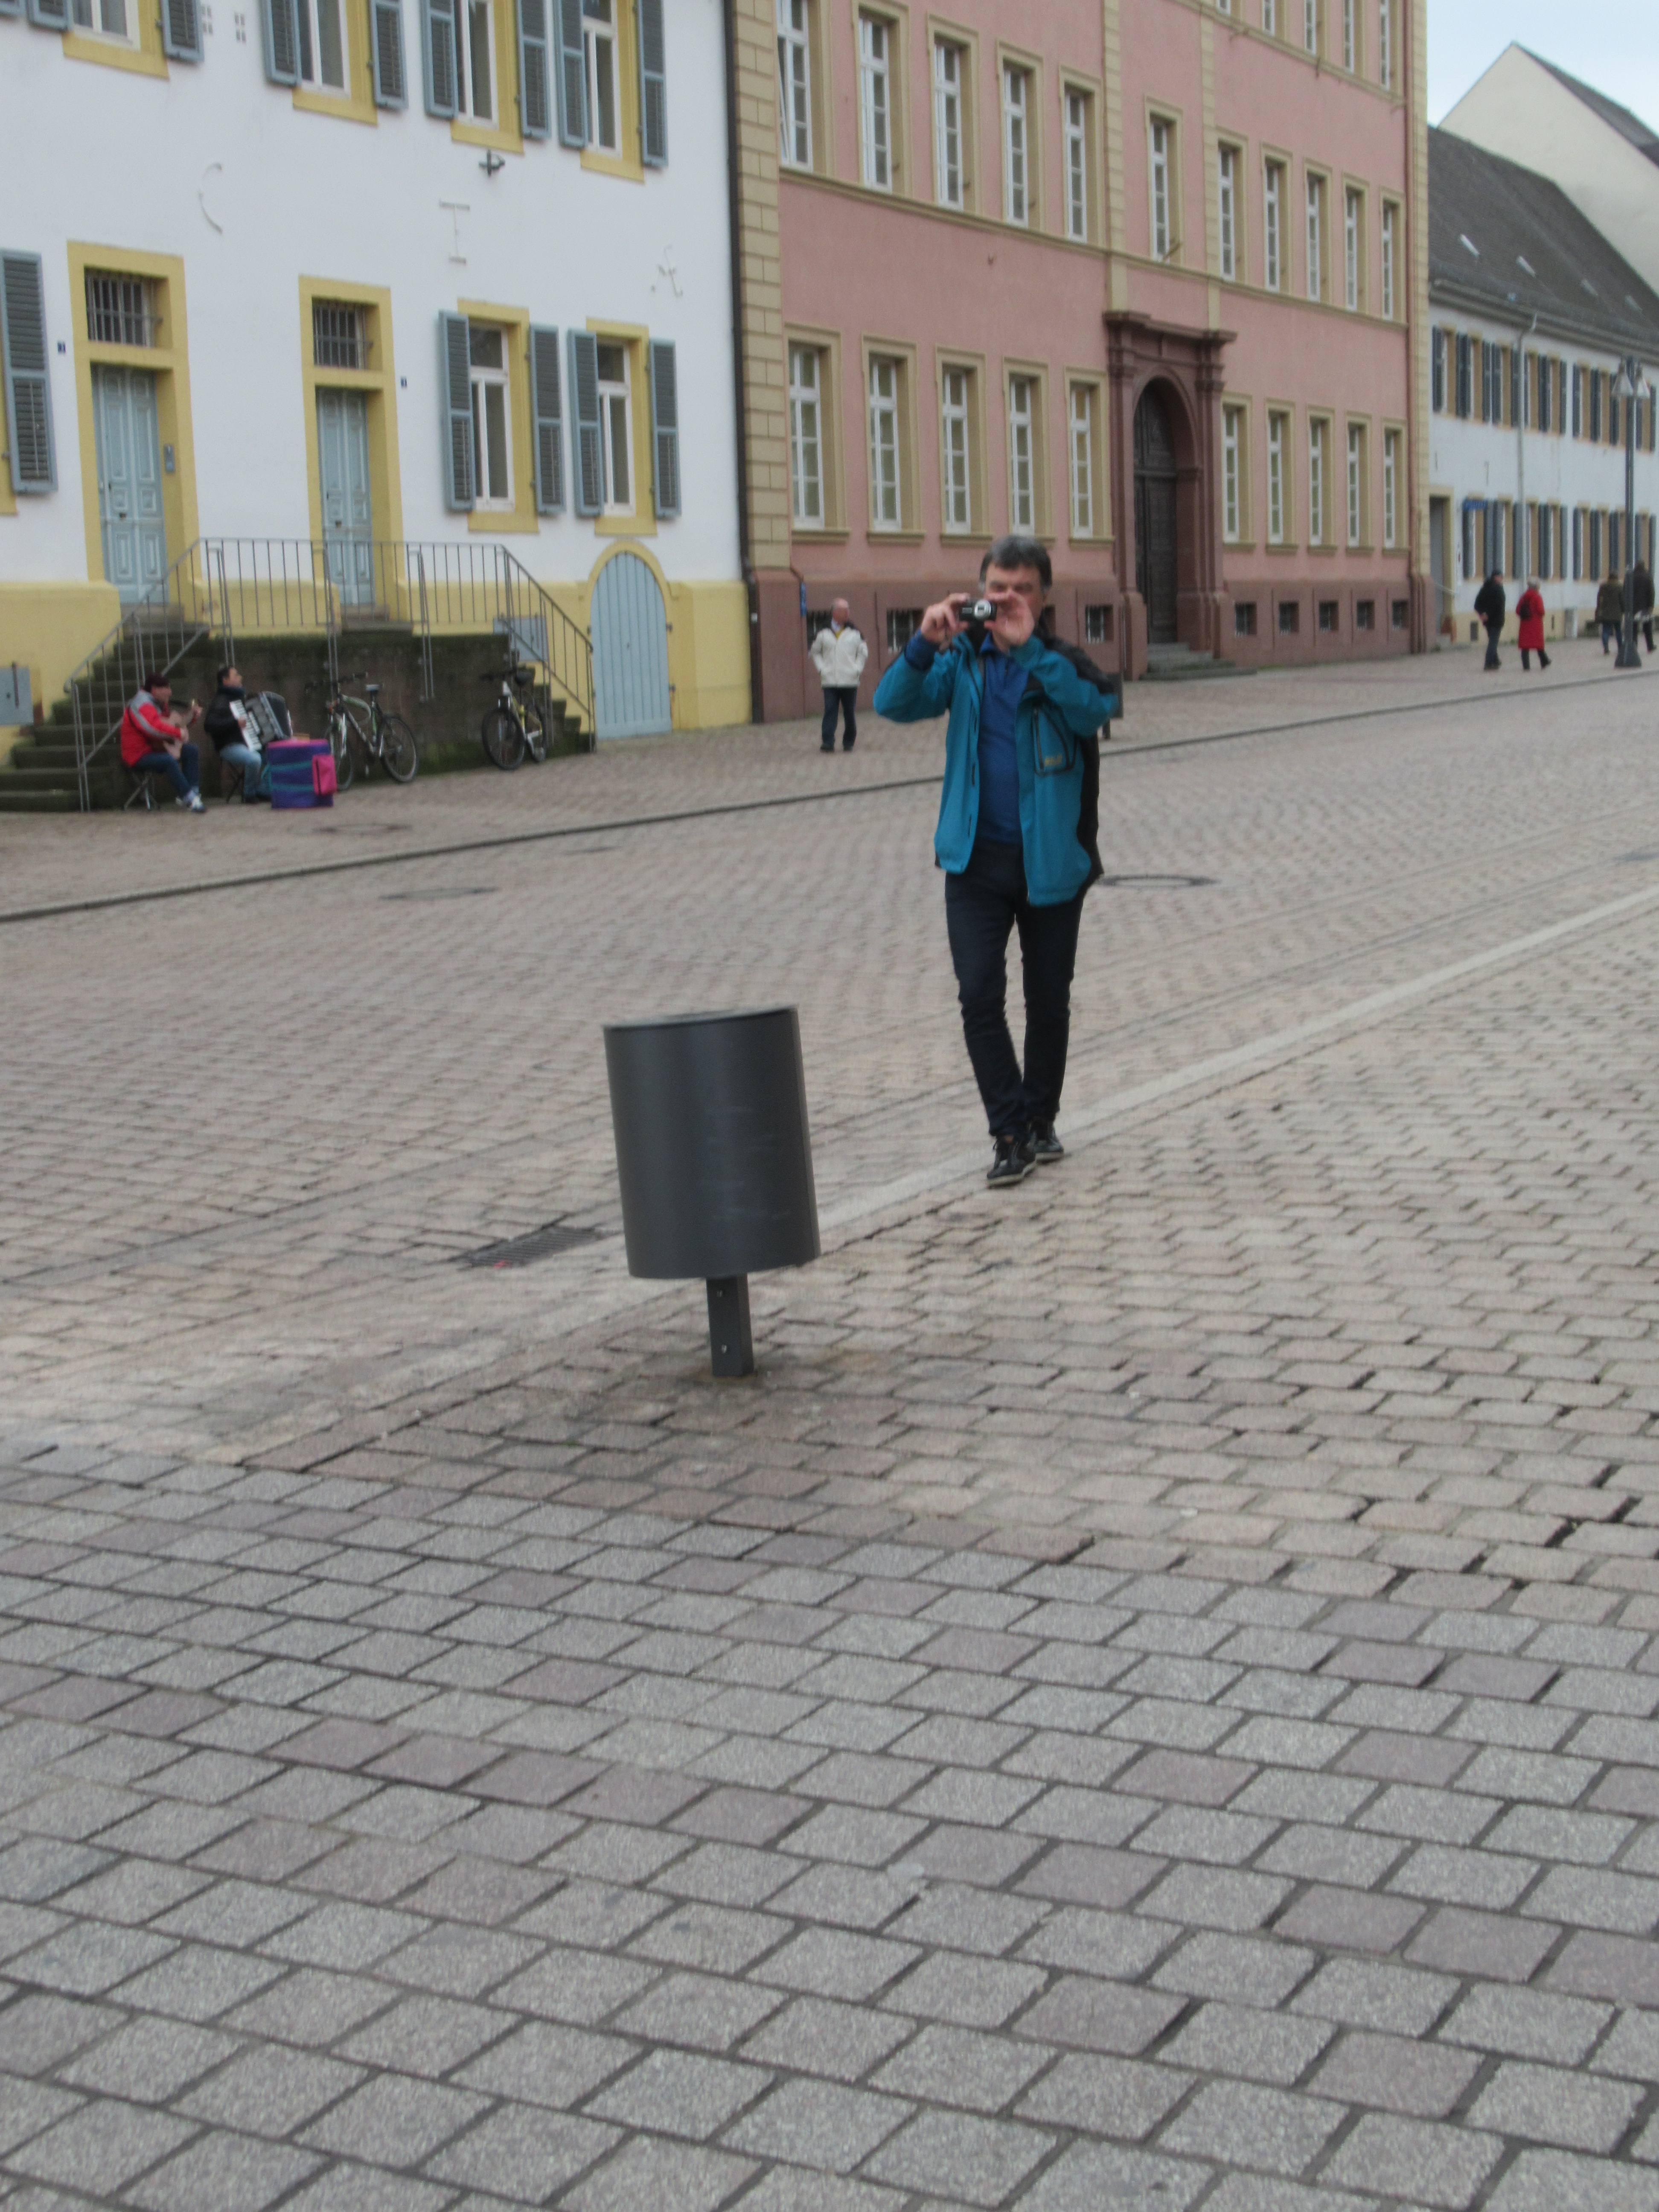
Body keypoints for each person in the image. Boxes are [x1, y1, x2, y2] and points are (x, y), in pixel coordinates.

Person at [873, 533, 1119, 1188]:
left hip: (1050, 863)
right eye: (996, 589)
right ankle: (1009, 1132)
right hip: (975, 860)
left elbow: (1094, 709)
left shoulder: (1060, 662)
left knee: (1048, 1001)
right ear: (980, 592)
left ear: (1043, 598)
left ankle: (1040, 1118)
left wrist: (1030, 649)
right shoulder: (964, 660)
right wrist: (924, 643)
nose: (1006, 600)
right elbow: (892, 704)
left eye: (1021, 590)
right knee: (979, 995)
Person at [119, 671, 204, 811]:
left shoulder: (159, 703)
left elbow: (170, 724)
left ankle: (193, 793)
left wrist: (192, 717)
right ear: (154, 690)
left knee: (191, 750)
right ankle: (189, 798)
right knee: (167, 760)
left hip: (155, 748)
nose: (170, 692)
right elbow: (152, 728)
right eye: (166, 688)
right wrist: (178, 733)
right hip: (137, 755)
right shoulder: (141, 704)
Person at [203, 664, 272, 802]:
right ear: (225, 681)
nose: (240, 678)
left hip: (250, 743)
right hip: (229, 746)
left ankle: (263, 791)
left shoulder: (242, 698)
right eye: (236, 676)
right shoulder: (220, 701)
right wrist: (235, 723)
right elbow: (209, 726)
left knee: (278, 755)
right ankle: (249, 794)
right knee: (254, 759)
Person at [809, 600, 868, 753]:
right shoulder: (823, 633)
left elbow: (863, 653)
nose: (847, 613)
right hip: (830, 680)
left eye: (848, 610)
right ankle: (828, 742)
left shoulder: (855, 633)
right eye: (844, 610)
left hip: (850, 681)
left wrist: (857, 669)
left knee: (849, 713)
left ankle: (849, 742)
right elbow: (815, 652)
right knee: (830, 710)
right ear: (834, 612)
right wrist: (822, 669)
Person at [1473, 568, 1506, 671]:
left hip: (1487, 621)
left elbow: (1477, 604)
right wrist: (1488, 614)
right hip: (1496, 620)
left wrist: (1482, 614)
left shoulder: (1485, 588)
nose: (1502, 579)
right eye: (1501, 577)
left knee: (1492, 640)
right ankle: (1488, 663)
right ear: (1496, 577)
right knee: (1493, 642)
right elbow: (1498, 605)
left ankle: (1495, 661)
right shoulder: (1499, 589)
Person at [1515, 580, 1549, 672]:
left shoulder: (1523, 597)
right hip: (1536, 624)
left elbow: (1518, 610)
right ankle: (1544, 662)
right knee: (1539, 645)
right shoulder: (1538, 597)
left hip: (1525, 624)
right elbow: (1541, 610)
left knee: (1525, 647)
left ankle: (1526, 666)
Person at [1596, 570, 1624, 654]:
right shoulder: (1619, 587)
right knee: (1618, 631)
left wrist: (1599, 609)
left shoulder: (1603, 587)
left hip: (1606, 612)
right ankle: (1620, 647)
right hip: (1617, 613)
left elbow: (1599, 599)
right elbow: (1622, 601)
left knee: (1605, 631)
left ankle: (1606, 648)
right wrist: (1624, 610)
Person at [1633, 559, 1655, 654]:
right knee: (1647, 628)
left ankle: (1634, 646)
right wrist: (1651, 605)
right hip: (1645, 606)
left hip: (1634, 607)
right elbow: (1651, 592)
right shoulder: (1648, 576)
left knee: (1633, 628)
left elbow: (1625, 590)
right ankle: (1650, 646)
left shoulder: (1631, 576)